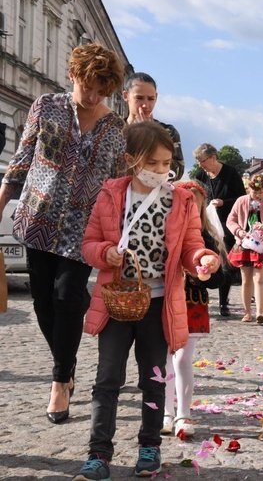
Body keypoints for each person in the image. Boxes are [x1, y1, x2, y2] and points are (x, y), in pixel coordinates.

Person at [74, 122, 220, 479]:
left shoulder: (181, 199)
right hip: (116, 303)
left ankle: (149, 447)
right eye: (152, 163)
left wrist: (201, 258)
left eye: (166, 163)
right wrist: (105, 252)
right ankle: (98, 453)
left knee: (154, 377)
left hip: (159, 306)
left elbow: (190, 245)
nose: (159, 171)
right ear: (130, 160)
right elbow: (88, 243)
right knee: (107, 378)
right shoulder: (110, 194)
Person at [0, 43, 126, 425]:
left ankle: (59, 381)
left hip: (83, 228)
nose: (94, 96)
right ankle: (66, 367)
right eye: (90, 86)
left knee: (67, 297)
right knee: (41, 300)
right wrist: (2, 198)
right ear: (73, 74)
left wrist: (118, 231)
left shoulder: (115, 127)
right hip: (38, 217)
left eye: (103, 90)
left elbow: (118, 182)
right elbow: (21, 159)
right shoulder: (46, 106)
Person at [162, 180, 225, 437]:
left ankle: (183, 414)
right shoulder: (163, 228)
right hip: (164, 301)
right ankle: (165, 413)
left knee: (183, 358)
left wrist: (208, 272)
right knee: (163, 360)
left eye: (194, 203)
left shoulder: (206, 237)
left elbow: (222, 279)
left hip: (191, 304)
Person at [194, 143, 247, 316]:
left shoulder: (230, 173)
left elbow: (241, 198)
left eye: (202, 160)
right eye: (198, 161)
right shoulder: (201, 174)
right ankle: (204, 297)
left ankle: (224, 302)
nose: (200, 164)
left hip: (227, 223)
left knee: (225, 263)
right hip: (206, 223)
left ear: (213, 158)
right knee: (206, 260)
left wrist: (224, 202)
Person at [227, 175, 263, 323]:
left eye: (261, 192)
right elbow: (230, 220)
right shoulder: (240, 201)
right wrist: (239, 231)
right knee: (246, 280)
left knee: (259, 278)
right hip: (244, 245)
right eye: (255, 192)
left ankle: (260, 312)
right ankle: (247, 312)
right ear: (249, 189)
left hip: (262, 247)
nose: (258, 195)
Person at [122, 72, 185, 180]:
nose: (146, 105)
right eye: (139, 98)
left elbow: (178, 171)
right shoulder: (113, 131)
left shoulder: (167, 132)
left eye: (151, 99)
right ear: (125, 96)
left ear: (156, 97)